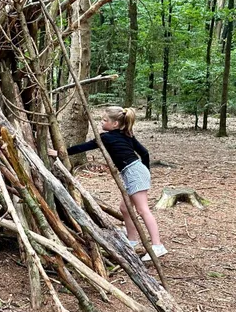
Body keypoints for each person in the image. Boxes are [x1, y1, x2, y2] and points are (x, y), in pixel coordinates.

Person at [65, 106, 167, 261]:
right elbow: (144, 153)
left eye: (105, 120)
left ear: (115, 124)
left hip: (134, 172)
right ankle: (132, 241)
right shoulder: (127, 135)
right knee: (125, 208)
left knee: (142, 209)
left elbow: (84, 147)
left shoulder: (107, 137)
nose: (101, 122)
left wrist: (62, 152)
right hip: (135, 171)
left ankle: (157, 245)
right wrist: (145, 171)